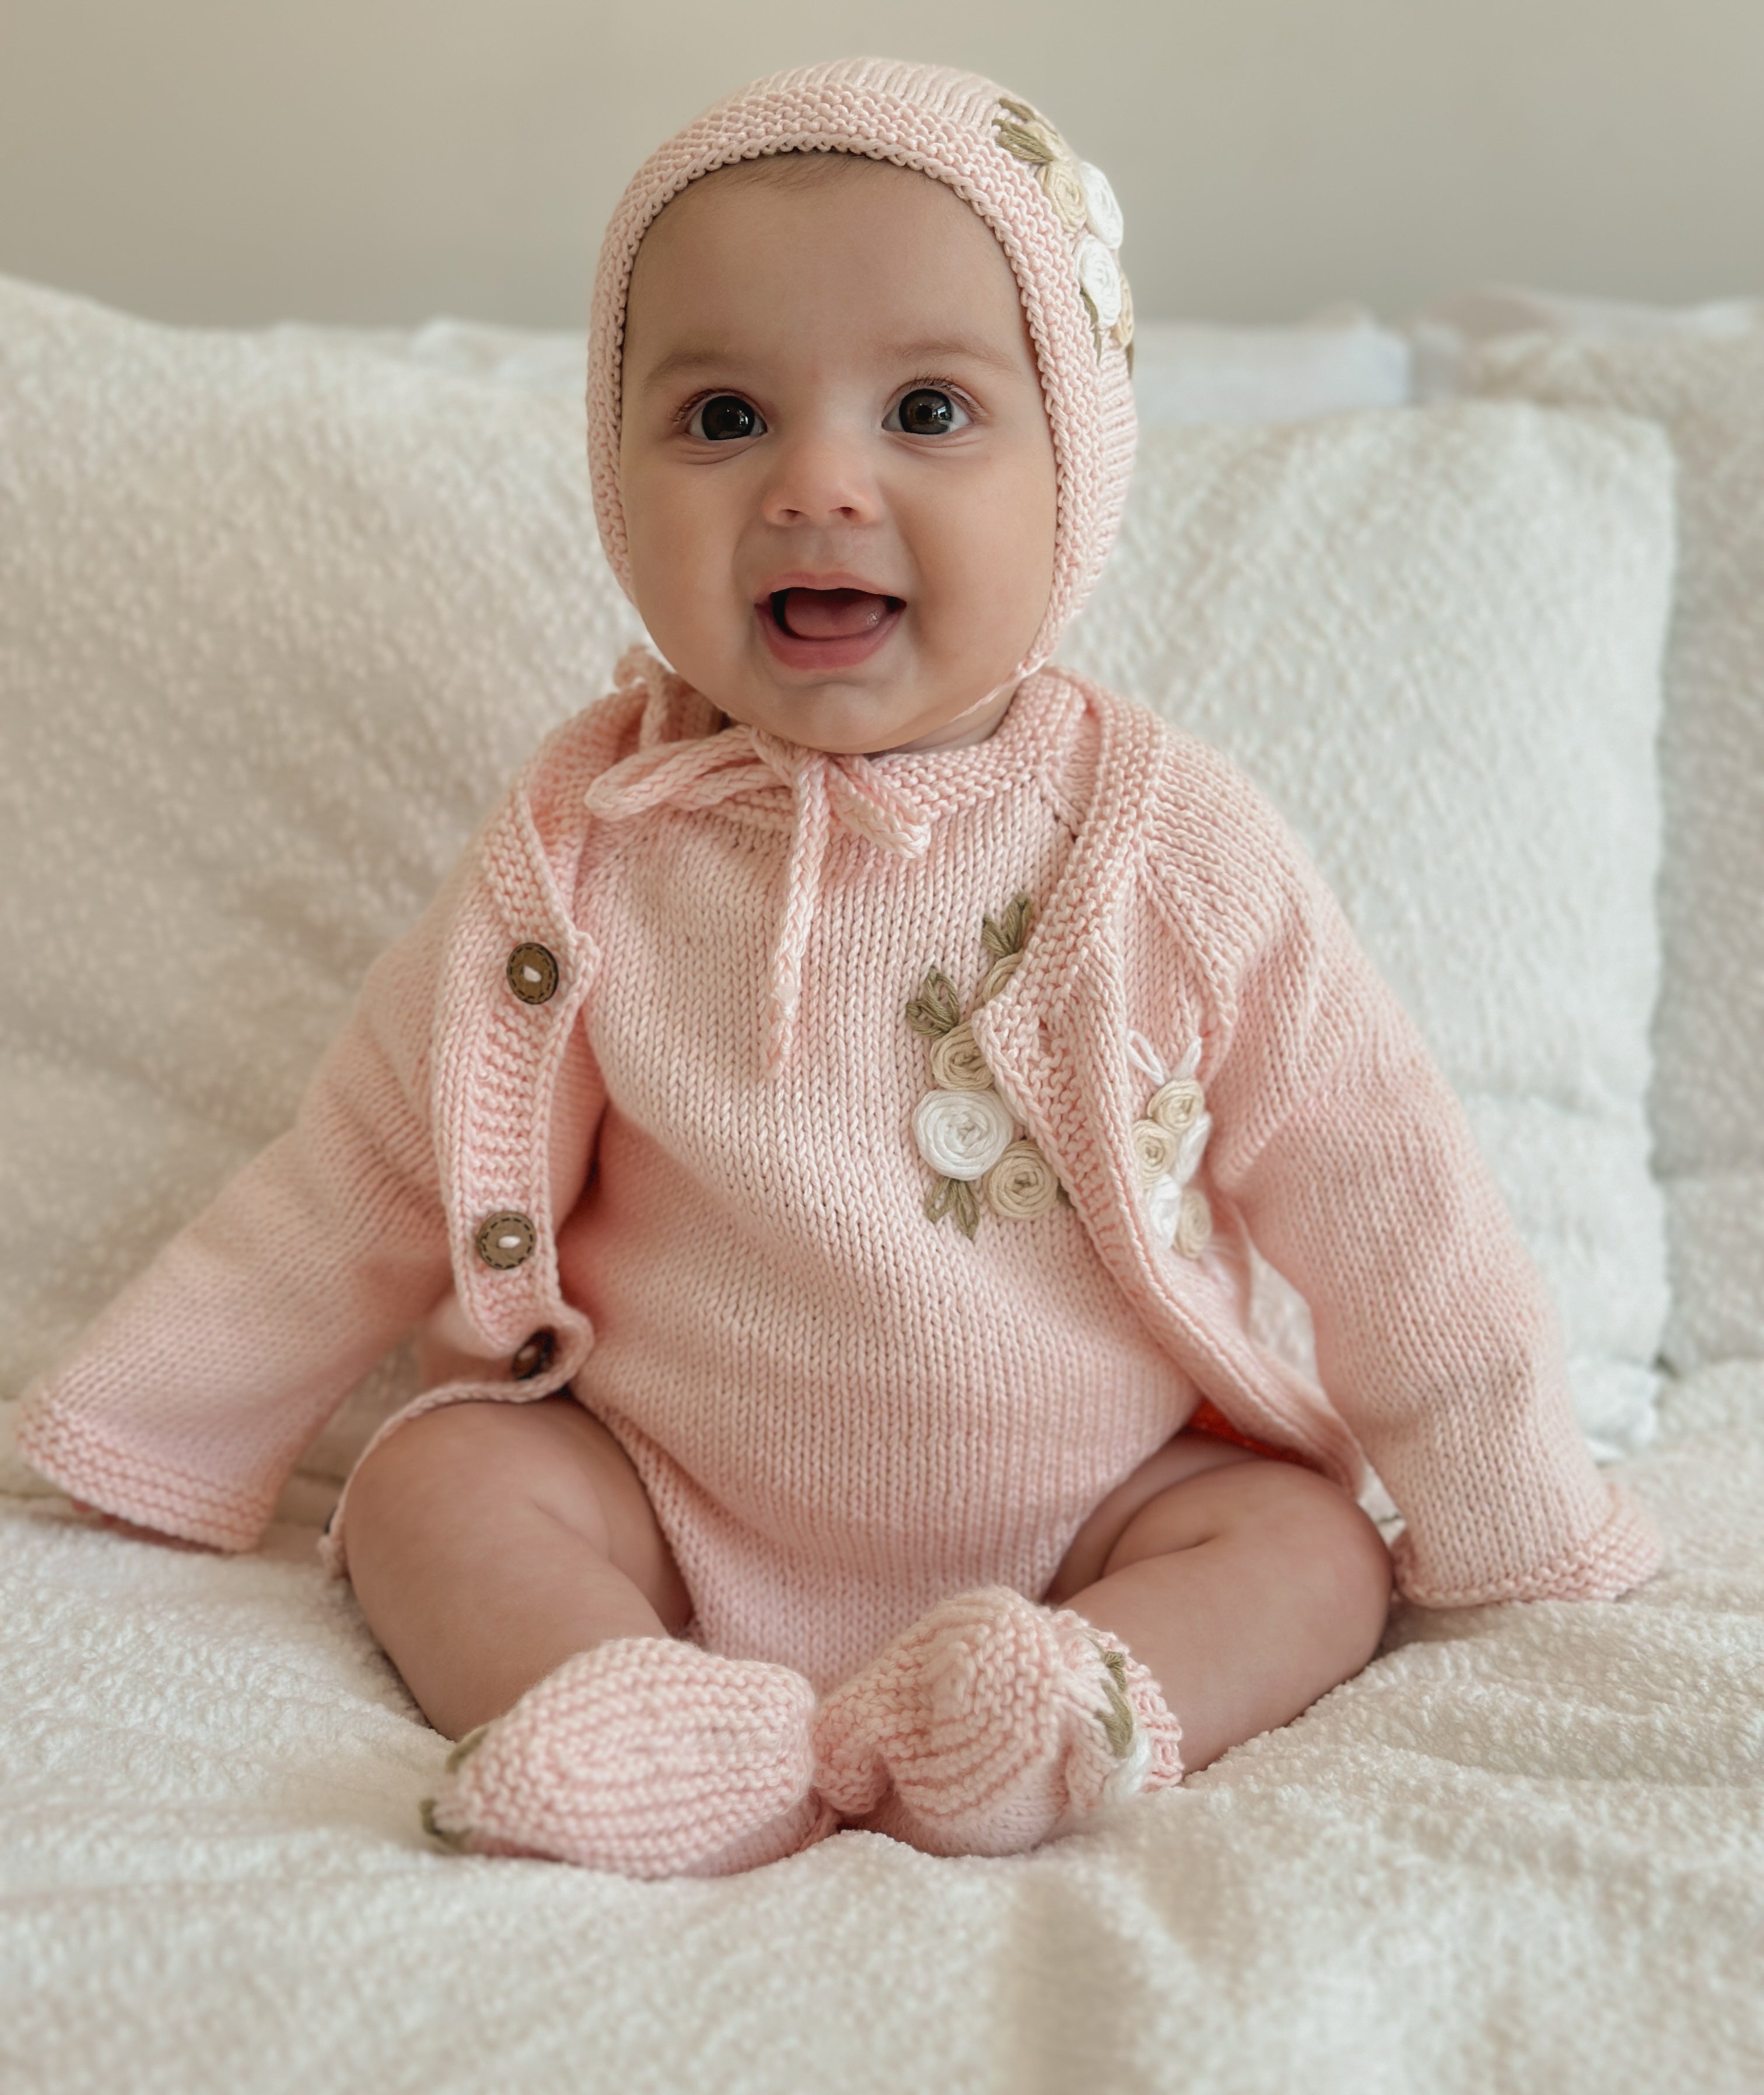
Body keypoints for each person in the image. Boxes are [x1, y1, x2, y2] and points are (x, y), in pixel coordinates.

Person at [14, 58, 1661, 1879]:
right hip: (661, 1493)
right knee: (431, 1485)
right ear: (613, 470)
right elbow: (371, 1165)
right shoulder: (590, 841)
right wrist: (147, 1424)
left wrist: (1519, 1511)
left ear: (1077, 472)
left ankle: (1053, 1709)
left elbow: (1384, 1187)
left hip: (1101, 1503)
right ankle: (645, 1710)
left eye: (931, 408)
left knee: (1310, 1552)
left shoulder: (1164, 843)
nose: (816, 484)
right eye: (721, 416)